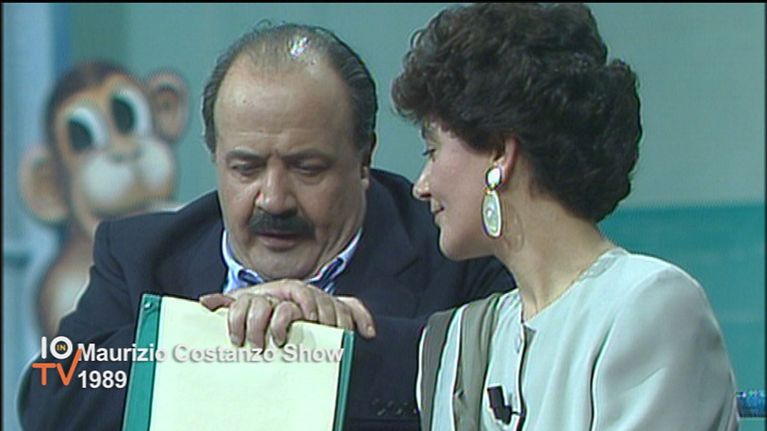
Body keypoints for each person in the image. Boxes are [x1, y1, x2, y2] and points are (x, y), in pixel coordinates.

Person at [18, 22, 515, 431]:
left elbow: (496, 392)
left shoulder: (457, 251)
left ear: (364, 158)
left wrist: (329, 347)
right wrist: (213, 339)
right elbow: (48, 391)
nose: (274, 199)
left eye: (307, 168)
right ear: (214, 156)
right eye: (246, 168)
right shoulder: (139, 253)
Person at [391, 3, 739, 430]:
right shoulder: (460, 340)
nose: (421, 186)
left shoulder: (648, 305)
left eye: (432, 151)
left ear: (500, 152)